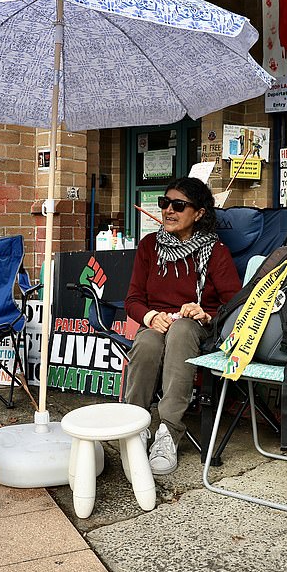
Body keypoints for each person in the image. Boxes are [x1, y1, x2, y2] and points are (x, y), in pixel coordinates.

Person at [123, 177, 241, 474]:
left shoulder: (216, 251)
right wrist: (150, 316)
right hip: (158, 324)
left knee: (181, 328)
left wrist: (205, 314)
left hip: (197, 327)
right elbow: (133, 299)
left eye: (178, 205)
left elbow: (236, 304)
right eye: (164, 203)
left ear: (199, 213)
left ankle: (168, 432)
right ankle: (134, 426)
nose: (168, 210)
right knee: (148, 341)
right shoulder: (149, 245)